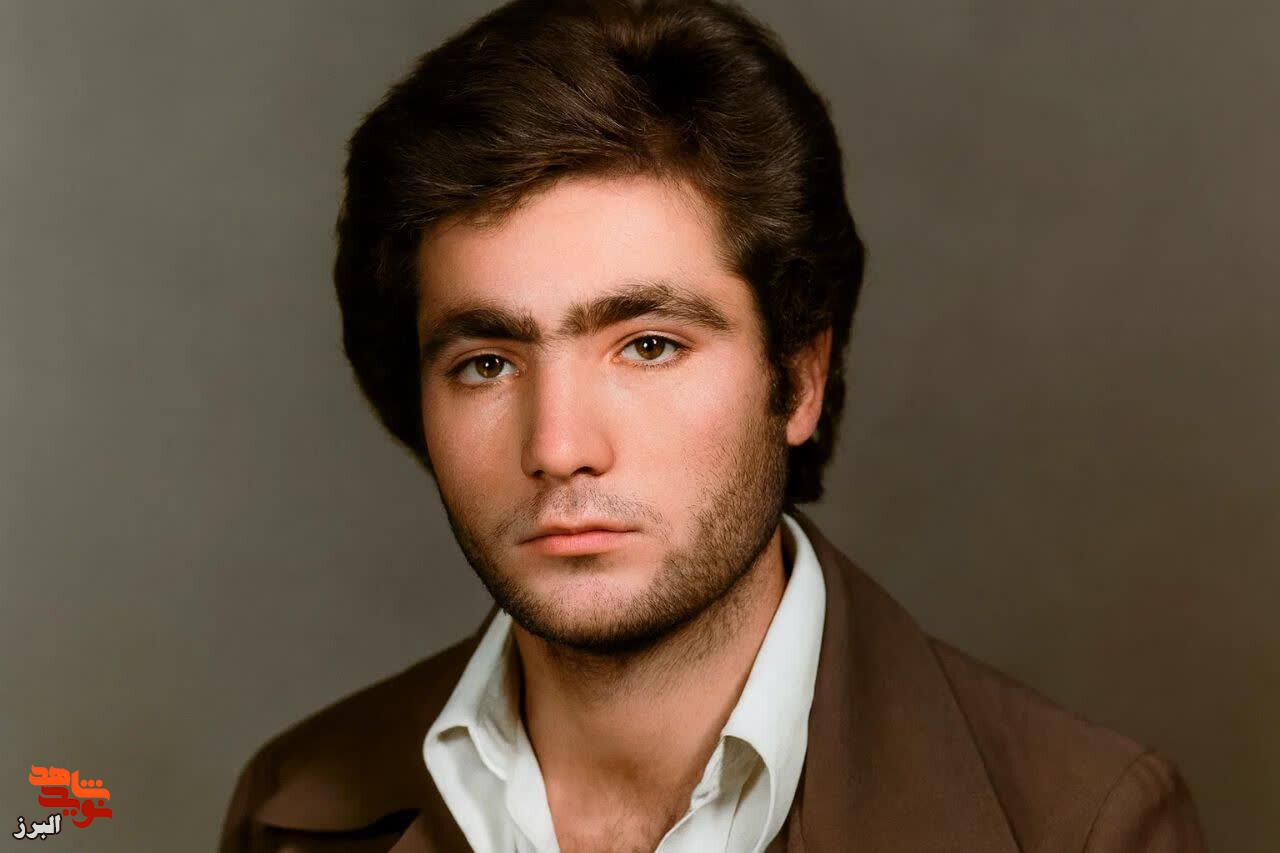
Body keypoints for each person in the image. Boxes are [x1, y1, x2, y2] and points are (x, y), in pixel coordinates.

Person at [219, 0, 1207, 850]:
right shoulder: (293, 805)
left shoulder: (1084, 827)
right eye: (487, 363)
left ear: (798, 378)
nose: (559, 447)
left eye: (648, 345)